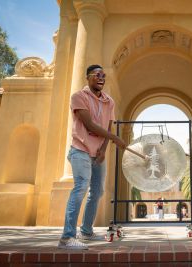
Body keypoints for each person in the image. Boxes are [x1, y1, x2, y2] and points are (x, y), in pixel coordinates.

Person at [58, 64, 127, 250]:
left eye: (103, 75)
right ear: (88, 77)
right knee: (81, 187)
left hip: (98, 153)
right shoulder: (78, 97)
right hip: (80, 149)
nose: (101, 78)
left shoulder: (109, 101)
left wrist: (104, 149)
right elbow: (88, 125)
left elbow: (108, 128)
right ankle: (67, 238)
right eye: (97, 75)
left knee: (97, 191)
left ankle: (86, 232)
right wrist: (114, 139)